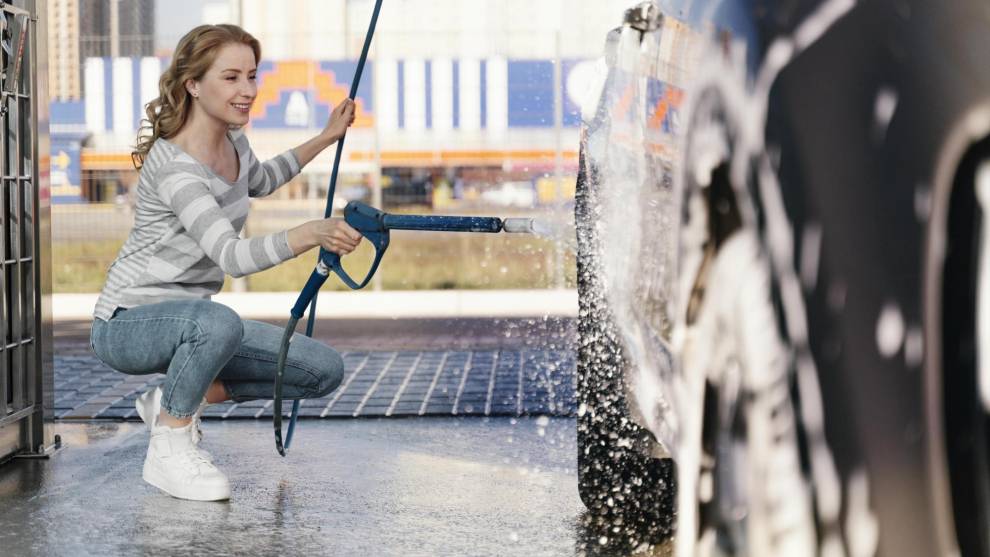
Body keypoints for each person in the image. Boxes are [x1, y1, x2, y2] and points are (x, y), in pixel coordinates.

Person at [89, 24, 362, 502]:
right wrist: (312, 232)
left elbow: (260, 180)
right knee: (219, 322)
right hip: (127, 322)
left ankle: (171, 400)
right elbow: (231, 257)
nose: (248, 91)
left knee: (321, 369)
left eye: (252, 76)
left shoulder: (234, 142)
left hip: (199, 324)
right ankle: (169, 448)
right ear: (193, 83)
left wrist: (326, 136)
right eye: (232, 77)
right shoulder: (175, 166)